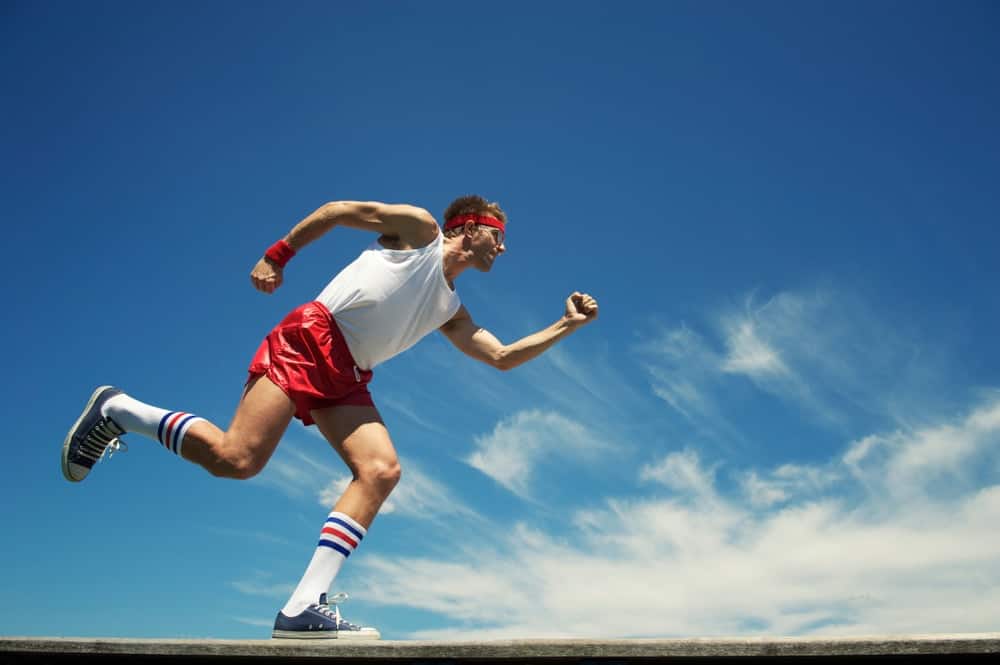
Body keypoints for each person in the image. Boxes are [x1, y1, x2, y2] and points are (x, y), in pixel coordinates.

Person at [61, 195, 599, 639]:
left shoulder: (450, 309)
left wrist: (566, 324)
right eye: (497, 234)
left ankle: (302, 608)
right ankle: (119, 409)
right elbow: (340, 211)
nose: (503, 246)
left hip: (347, 373)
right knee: (235, 459)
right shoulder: (421, 230)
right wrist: (278, 254)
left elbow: (501, 357)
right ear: (469, 227)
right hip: (312, 337)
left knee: (381, 471)